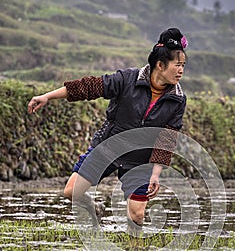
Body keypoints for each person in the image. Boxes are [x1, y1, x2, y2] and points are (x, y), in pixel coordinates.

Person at [27, 28, 188, 232]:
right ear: (160, 65)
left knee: (138, 214)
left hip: (140, 159)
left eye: (183, 65)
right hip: (109, 147)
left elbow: (168, 137)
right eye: (177, 65)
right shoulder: (128, 79)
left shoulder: (177, 99)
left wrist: (156, 173)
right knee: (71, 191)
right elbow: (89, 87)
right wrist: (48, 96)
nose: (181, 70)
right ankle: (94, 208)